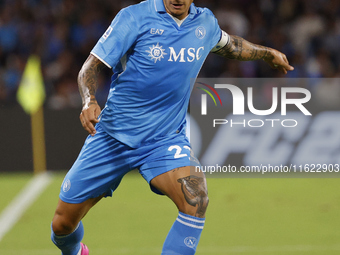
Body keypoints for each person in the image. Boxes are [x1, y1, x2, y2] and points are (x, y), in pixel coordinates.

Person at [51, 0, 294, 254]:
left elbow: (231, 45)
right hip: (113, 137)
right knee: (62, 225)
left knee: (195, 198)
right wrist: (89, 100)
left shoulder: (205, 23)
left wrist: (267, 53)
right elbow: (91, 65)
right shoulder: (134, 17)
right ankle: (75, 251)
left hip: (164, 140)